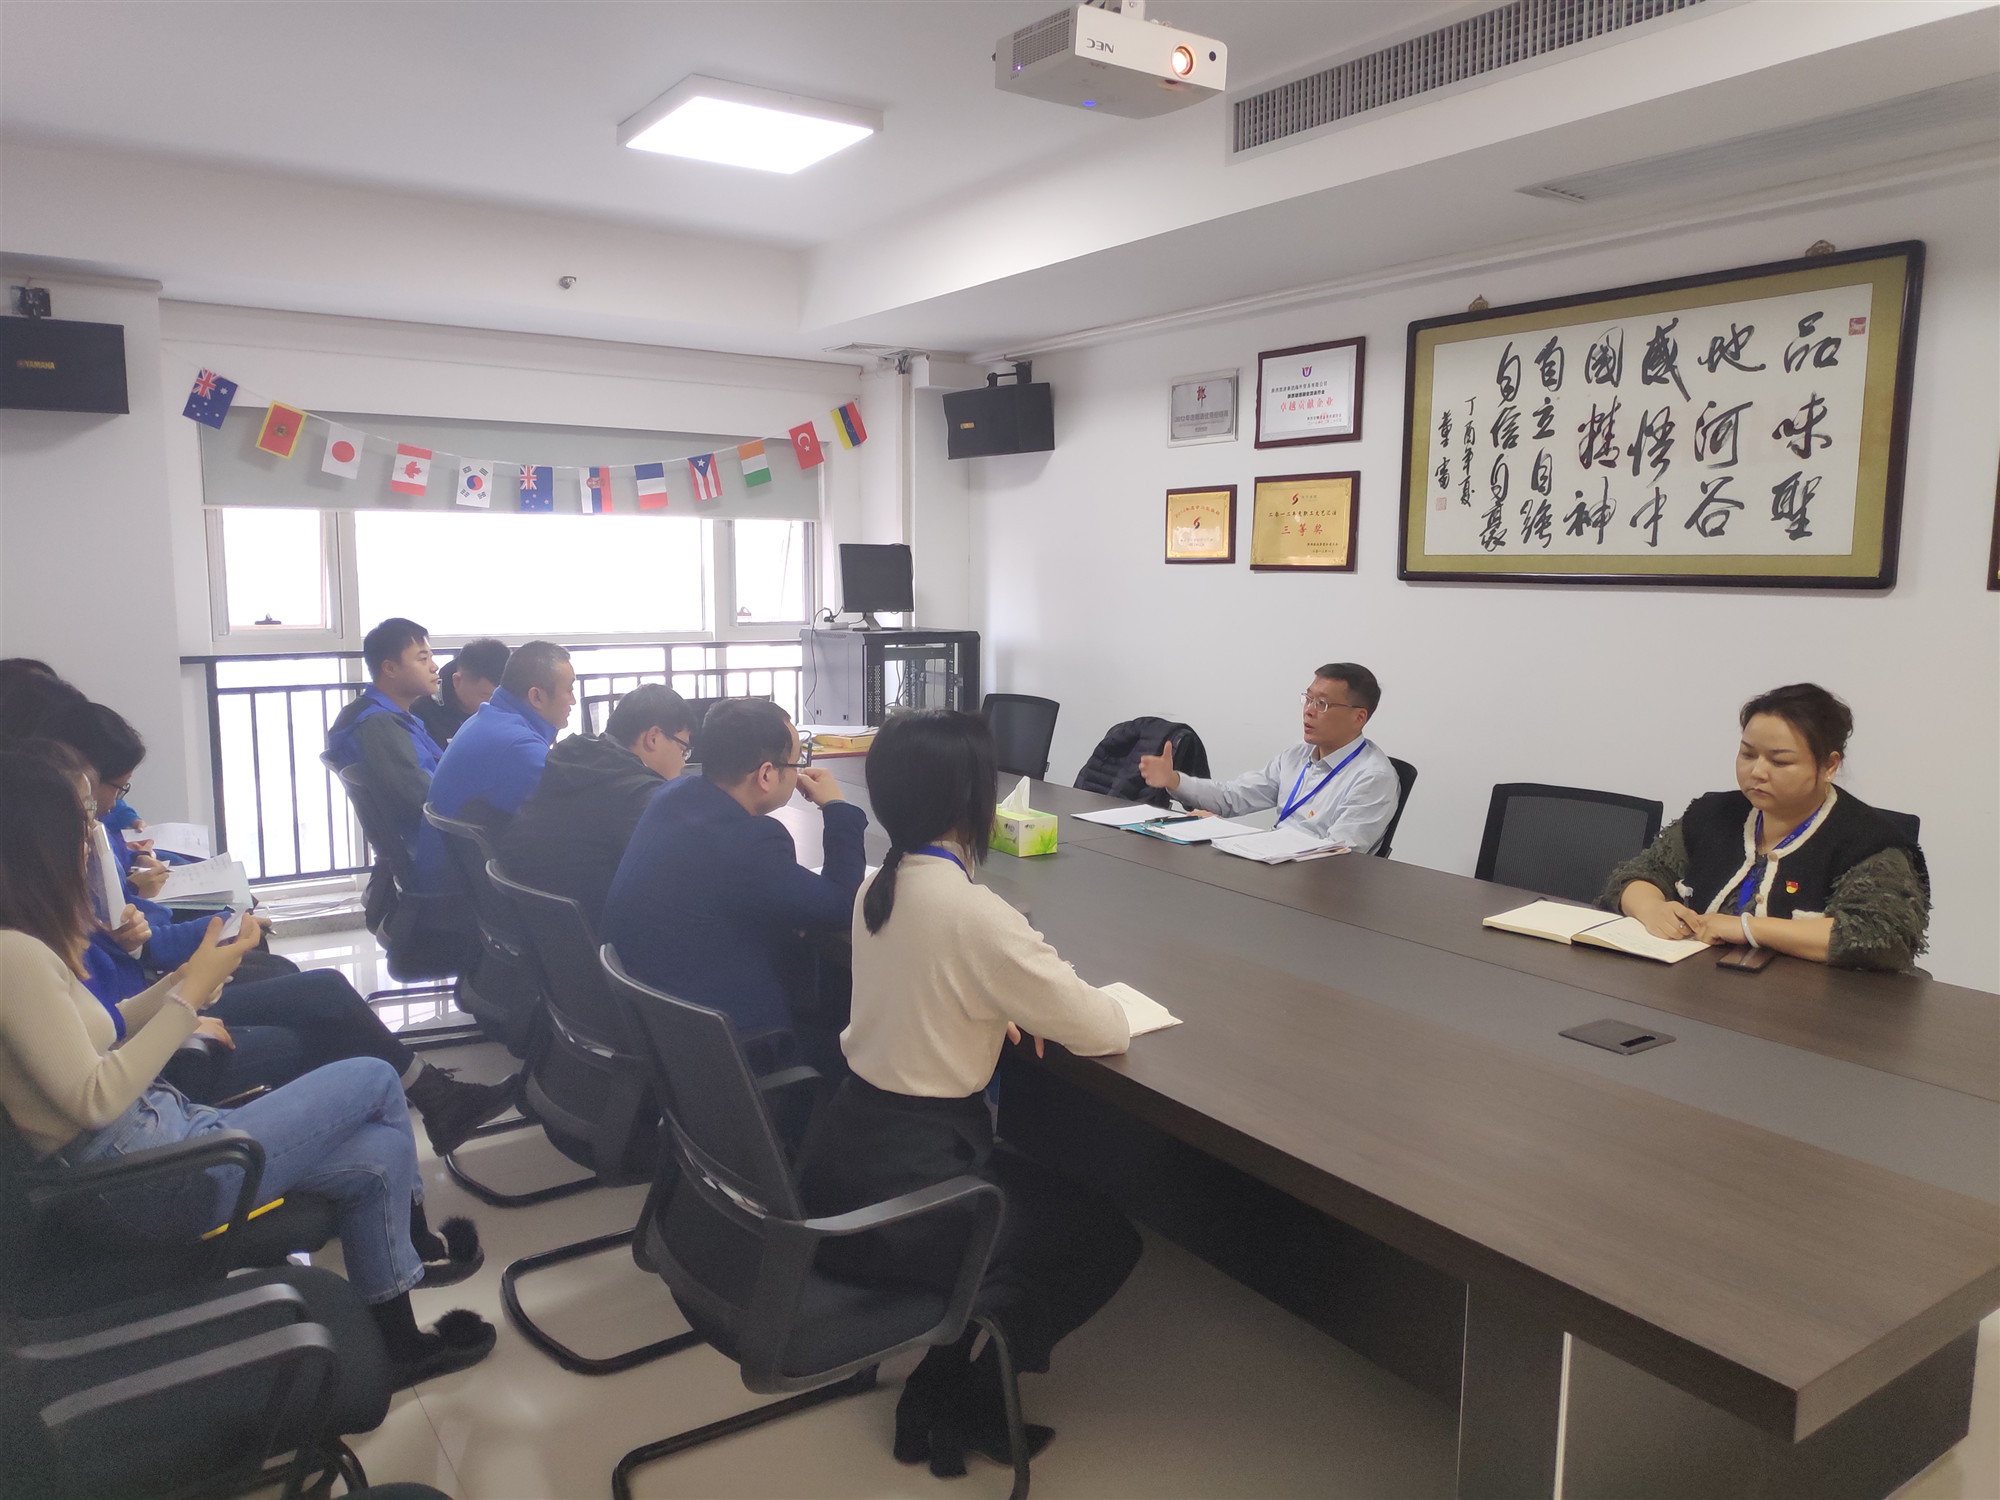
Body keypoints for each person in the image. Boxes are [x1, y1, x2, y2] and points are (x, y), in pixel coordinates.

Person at [0, 750, 497, 1387]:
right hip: (146, 1179)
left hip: (154, 1144)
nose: (91, 849)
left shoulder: (25, 943)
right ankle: (415, 1241)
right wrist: (186, 999)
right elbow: (94, 1099)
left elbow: (109, 1029)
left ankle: (401, 1345)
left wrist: (188, 977)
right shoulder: (14, 957)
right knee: (375, 1077)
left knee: (377, 1156)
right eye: (81, 833)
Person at [798, 709, 1140, 1477]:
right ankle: (969, 1392)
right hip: (918, 1196)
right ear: (974, 802)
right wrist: (1022, 990)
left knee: (1041, 1203)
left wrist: (991, 1003)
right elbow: (1104, 1027)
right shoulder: (976, 914)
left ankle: (943, 1377)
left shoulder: (877, 886)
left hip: (843, 1163)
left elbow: (927, 984)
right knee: (1106, 1238)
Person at [13, 736, 518, 1153]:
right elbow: (96, 1076)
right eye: (84, 817)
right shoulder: (27, 939)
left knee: (321, 992)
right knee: (319, 1030)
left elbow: (106, 1011)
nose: (95, 830)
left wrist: (178, 975)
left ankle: (421, 1106)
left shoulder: (52, 899)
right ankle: (404, 1115)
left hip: (143, 1023)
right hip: (144, 1075)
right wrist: (185, 997)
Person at [603, 699, 864, 1066]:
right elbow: (842, 904)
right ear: (766, 774)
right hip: (728, 1048)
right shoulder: (748, 844)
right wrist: (837, 808)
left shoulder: (671, 797)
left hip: (657, 1029)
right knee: (850, 1042)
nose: (799, 773)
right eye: (796, 763)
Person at [1600, 683, 1929, 969]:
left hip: (1816, 1008)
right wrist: (1652, 908)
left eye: (1780, 761)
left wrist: (1747, 928)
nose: (1757, 772)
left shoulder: (1868, 842)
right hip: (1699, 990)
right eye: (1748, 754)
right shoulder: (1713, 813)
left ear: (1829, 765)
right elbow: (1639, 875)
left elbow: (1882, 936)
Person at [1139, 662, 1401, 853]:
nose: (1308, 711)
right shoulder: (1298, 753)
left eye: (1321, 704)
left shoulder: (1374, 777)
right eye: (1308, 699)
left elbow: (1338, 853)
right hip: (1272, 863)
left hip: (1319, 889)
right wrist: (1174, 780)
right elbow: (1233, 797)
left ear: (1358, 717)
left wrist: (1238, 836)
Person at [496, 683, 693, 931]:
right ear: (653, 737)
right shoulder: (638, 795)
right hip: (585, 936)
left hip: (529, 925)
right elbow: (679, 877)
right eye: (683, 749)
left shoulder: (574, 761)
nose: (683, 763)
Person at [415, 640, 575, 891]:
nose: (573, 700)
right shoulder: (517, 746)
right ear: (536, 696)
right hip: (456, 896)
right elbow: (574, 816)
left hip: (446, 883)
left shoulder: (487, 719)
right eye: (569, 689)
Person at [326, 618, 446, 852]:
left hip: (428, 843)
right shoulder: (378, 726)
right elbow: (426, 799)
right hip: (434, 849)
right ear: (390, 668)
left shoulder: (377, 713)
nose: (434, 667)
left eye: (431, 657)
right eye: (423, 659)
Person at [413, 637, 510, 749]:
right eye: (485, 696)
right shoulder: (421, 716)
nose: (493, 704)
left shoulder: (511, 706)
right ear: (457, 681)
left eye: (501, 697)